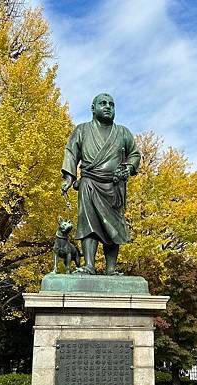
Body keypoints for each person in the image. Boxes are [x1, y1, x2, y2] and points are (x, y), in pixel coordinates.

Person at [61, 93, 141, 275]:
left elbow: (135, 154)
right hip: (89, 183)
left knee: (114, 228)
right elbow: (71, 153)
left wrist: (128, 168)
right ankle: (89, 265)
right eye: (103, 103)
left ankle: (111, 269)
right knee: (88, 224)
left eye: (111, 104)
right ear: (93, 108)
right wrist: (69, 178)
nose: (107, 107)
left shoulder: (123, 132)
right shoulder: (81, 130)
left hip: (114, 186)